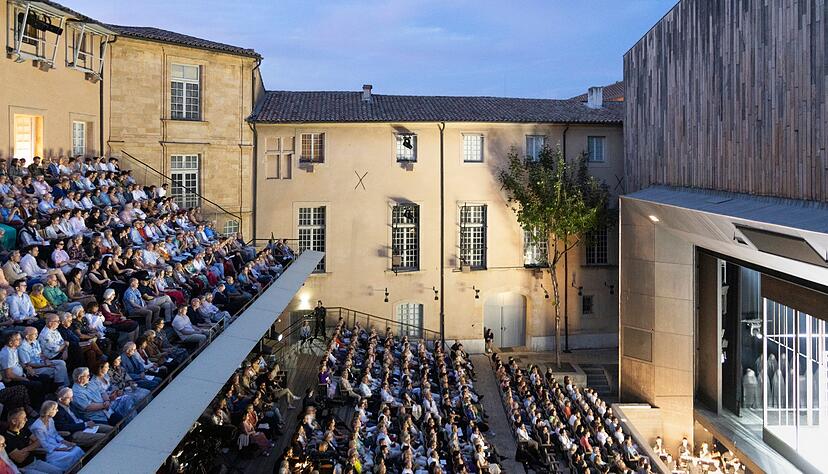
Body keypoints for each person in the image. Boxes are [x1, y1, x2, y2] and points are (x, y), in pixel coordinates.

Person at [4, 408, 63, 474]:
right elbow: (20, 459)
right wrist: (31, 445)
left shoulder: (24, 430)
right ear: (14, 421)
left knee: (60, 471)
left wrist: (25, 449)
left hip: (35, 461)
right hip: (23, 468)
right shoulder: (6, 438)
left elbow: (39, 442)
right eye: (23, 418)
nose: (26, 420)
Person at [29, 401, 84, 471]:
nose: (57, 411)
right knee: (71, 455)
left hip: (57, 444)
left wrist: (66, 442)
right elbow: (44, 444)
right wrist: (61, 449)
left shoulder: (50, 419)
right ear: (50, 411)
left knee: (77, 449)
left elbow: (55, 434)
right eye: (55, 409)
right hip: (49, 451)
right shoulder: (37, 427)